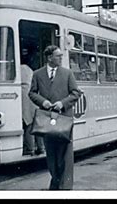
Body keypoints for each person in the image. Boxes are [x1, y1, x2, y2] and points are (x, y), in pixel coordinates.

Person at [29, 45, 80, 190]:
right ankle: (56, 181)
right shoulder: (38, 74)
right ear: (49, 57)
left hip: (64, 118)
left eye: (61, 56)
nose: (61, 58)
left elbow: (76, 93)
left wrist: (62, 103)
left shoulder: (67, 73)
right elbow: (32, 93)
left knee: (65, 154)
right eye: (58, 56)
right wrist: (43, 101)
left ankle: (65, 186)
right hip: (47, 119)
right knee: (51, 153)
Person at [20, 63, 45, 156]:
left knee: (28, 124)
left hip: (25, 99)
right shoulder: (30, 70)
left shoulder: (19, 69)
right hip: (34, 98)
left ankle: (30, 148)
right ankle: (41, 147)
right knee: (36, 124)